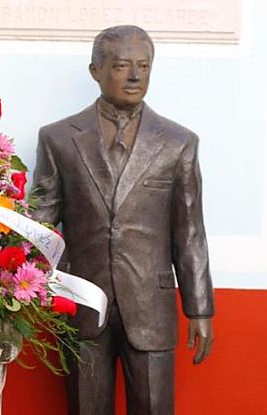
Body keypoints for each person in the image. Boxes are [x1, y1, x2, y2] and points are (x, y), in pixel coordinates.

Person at [32, 25, 214, 414]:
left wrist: (199, 309)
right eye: (121, 66)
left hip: (151, 303)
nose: (134, 76)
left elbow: (191, 232)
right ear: (95, 70)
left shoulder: (178, 142)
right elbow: (42, 221)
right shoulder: (59, 139)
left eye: (144, 66)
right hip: (82, 303)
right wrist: (16, 282)